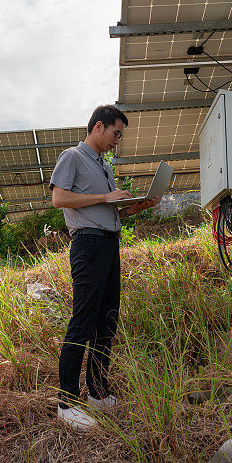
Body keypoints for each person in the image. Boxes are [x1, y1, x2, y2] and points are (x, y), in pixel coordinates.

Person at [49, 104, 158, 431]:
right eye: (116, 133)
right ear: (99, 126)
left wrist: (133, 207)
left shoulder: (103, 166)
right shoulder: (73, 157)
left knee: (106, 320)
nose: (117, 140)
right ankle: (66, 403)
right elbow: (59, 199)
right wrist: (105, 198)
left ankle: (97, 392)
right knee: (83, 321)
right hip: (88, 245)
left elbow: (110, 212)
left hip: (109, 243)